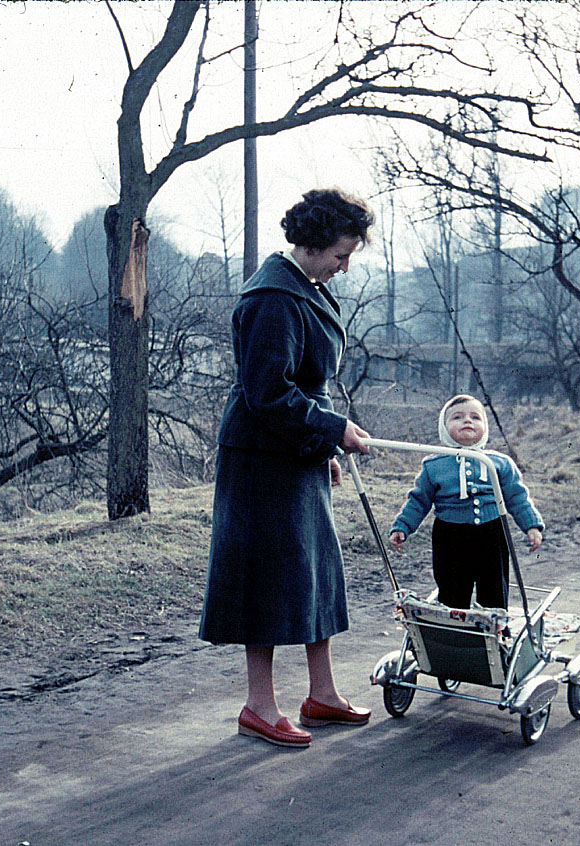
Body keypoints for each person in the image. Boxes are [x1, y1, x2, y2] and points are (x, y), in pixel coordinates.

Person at [199, 189, 374, 748]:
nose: (345, 266)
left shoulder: (307, 287)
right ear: (314, 243)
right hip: (260, 459)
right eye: (341, 254)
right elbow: (268, 394)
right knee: (267, 579)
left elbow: (305, 385)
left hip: (294, 451)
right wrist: (332, 430)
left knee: (315, 570)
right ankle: (259, 705)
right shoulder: (273, 298)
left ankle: (322, 694)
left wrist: (323, 447)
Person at [389, 394, 544, 610]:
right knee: (452, 589)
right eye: (458, 417)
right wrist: (403, 527)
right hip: (450, 536)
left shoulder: (500, 463)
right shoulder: (434, 465)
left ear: (485, 426)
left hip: (492, 533)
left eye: (475, 417)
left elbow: (517, 498)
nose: (467, 421)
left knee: (494, 587)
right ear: (444, 428)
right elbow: (418, 501)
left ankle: (494, 625)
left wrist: (531, 526)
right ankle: (455, 627)